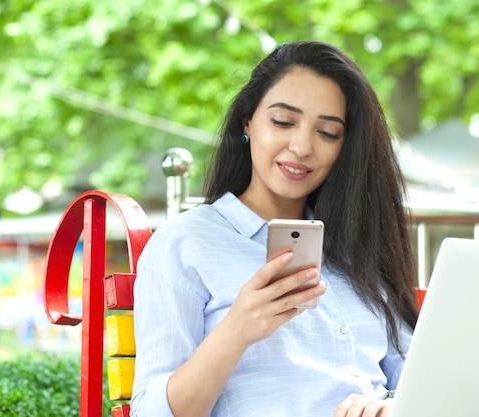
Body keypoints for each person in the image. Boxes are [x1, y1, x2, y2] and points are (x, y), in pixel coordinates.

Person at [131, 40, 419, 417]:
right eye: (283, 122)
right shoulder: (187, 243)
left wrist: (388, 404)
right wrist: (236, 331)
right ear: (247, 121)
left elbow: (420, 378)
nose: (301, 147)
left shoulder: (354, 248)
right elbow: (151, 412)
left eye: (328, 133)